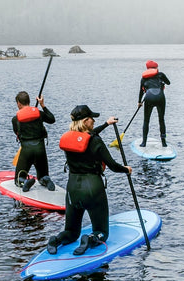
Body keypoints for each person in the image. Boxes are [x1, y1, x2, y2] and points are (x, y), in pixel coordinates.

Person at [46, 105, 132, 256]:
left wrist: (106, 124)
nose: (93, 121)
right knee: (102, 232)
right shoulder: (96, 142)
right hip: (93, 189)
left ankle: (56, 240)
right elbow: (112, 165)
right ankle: (89, 238)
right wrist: (126, 170)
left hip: (72, 189)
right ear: (86, 121)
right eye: (92, 118)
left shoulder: (68, 139)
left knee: (71, 232)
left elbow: (86, 137)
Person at [11, 91, 56, 191]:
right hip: (40, 149)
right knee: (43, 175)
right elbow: (52, 119)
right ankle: (46, 180)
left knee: (18, 179)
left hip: (26, 150)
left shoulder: (15, 119)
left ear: (18, 103)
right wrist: (42, 105)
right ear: (29, 101)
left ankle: (25, 182)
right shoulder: (39, 113)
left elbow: (17, 133)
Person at [139, 60, 171, 147]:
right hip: (160, 97)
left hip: (149, 97)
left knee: (146, 120)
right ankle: (164, 143)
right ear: (156, 68)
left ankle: (144, 143)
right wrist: (162, 83)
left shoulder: (144, 78)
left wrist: (139, 102)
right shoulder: (161, 75)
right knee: (161, 120)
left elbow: (141, 91)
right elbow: (169, 83)